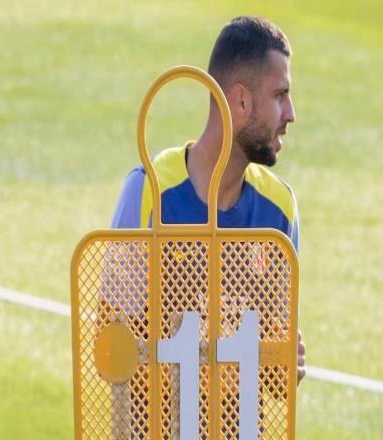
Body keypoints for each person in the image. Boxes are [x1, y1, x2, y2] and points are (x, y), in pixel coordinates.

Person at [113, 15, 306, 387]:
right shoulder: (149, 191)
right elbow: (111, 348)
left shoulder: (280, 209)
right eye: (280, 96)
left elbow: (275, 370)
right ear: (241, 101)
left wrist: (283, 366)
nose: (291, 114)